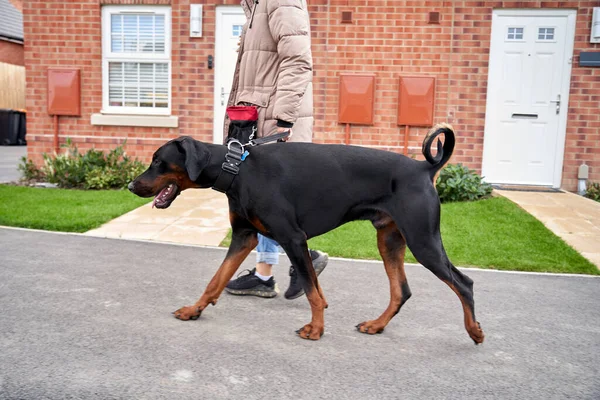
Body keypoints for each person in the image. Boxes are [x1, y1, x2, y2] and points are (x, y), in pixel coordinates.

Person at [223, 0, 328, 299]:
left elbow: (298, 60)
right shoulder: (256, 6)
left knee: (268, 203)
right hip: (257, 116)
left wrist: (284, 118)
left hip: (274, 121)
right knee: (263, 201)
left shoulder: (281, 0)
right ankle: (264, 275)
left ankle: (305, 260)